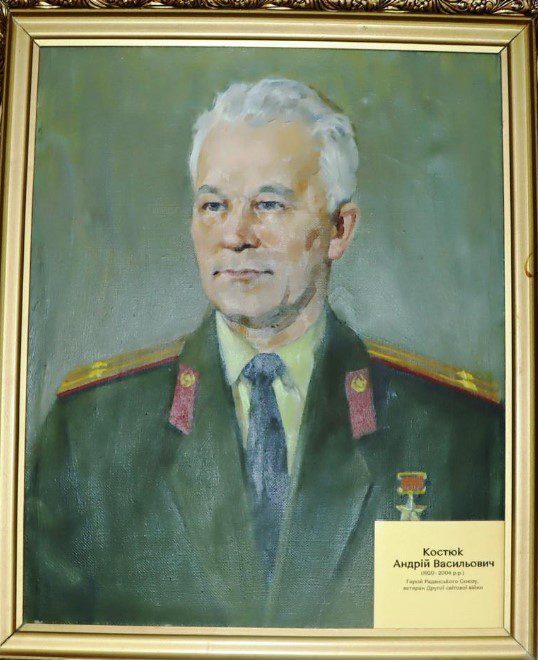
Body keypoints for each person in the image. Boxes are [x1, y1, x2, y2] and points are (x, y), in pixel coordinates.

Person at [25, 78, 504, 628]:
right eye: (213, 205)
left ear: (339, 230)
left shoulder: (458, 433)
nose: (235, 234)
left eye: (269, 204)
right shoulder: (92, 432)